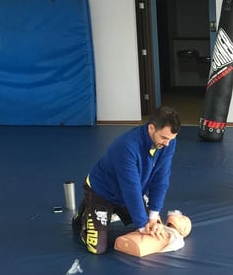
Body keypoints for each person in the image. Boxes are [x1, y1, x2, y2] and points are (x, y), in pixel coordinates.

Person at [73, 106, 181, 255]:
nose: (167, 143)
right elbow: (131, 188)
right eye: (164, 138)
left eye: (171, 139)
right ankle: (85, 211)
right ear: (151, 128)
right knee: (97, 248)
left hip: (127, 194)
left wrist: (153, 217)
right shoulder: (127, 147)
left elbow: (161, 179)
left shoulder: (167, 143)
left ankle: (122, 213)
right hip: (102, 193)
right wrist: (142, 226)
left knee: (154, 226)